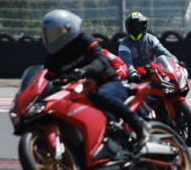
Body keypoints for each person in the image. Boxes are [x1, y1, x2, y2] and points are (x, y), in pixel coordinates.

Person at [41, 9, 151, 153]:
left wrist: (84, 71)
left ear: (69, 29)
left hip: (108, 84)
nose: (52, 38)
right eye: (48, 34)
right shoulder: (53, 57)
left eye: (56, 32)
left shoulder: (83, 41)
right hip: (80, 93)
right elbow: (46, 77)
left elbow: (101, 61)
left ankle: (139, 126)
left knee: (99, 96)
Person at [118, 11, 181, 83]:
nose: (135, 30)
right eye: (132, 27)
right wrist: (133, 74)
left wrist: (177, 62)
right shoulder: (124, 44)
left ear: (144, 26)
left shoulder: (151, 39)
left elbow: (163, 52)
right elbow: (127, 62)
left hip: (153, 75)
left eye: (137, 27)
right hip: (135, 79)